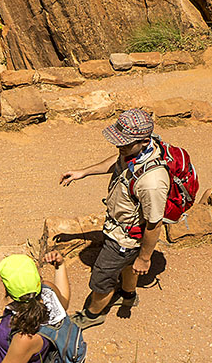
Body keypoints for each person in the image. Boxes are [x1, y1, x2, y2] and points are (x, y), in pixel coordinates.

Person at [59, 108, 169, 328]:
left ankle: (92, 315)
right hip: (122, 233)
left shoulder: (152, 183)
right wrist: (84, 172)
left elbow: (154, 224)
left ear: (144, 140)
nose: (120, 147)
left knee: (101, 278)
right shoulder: (137, 151)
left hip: (124, 238)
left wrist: (145, 258)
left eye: (125, 144)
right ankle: (128, 296)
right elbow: (118, 160)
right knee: (128, 266)